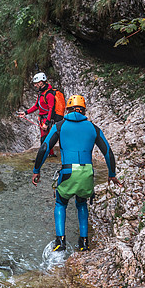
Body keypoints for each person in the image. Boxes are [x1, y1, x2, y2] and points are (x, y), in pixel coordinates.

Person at [31, 95, 120, 252]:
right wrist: (112, 174)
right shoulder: (93, 128)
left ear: (67, 109)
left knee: (60, 203)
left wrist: (36, 170)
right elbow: (108, 152)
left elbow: (44, 148)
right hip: (87, 172)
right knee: (81, 204)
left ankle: (60, 242)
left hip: (68, 171)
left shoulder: (60, 126)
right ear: (84, 110)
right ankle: (84, 243)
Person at [19, 72, 62, 155]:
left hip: (47, 119)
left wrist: (47, 123)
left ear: (41, 82)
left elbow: (51, 109)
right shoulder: (41, 93)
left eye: (36, 84)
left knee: (46, 139)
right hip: (43, 119)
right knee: (44, 139)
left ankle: (48, 155)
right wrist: (25, 113)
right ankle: (49, 154)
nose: (35, 85)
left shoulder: (49, 94)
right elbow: (36, 106)